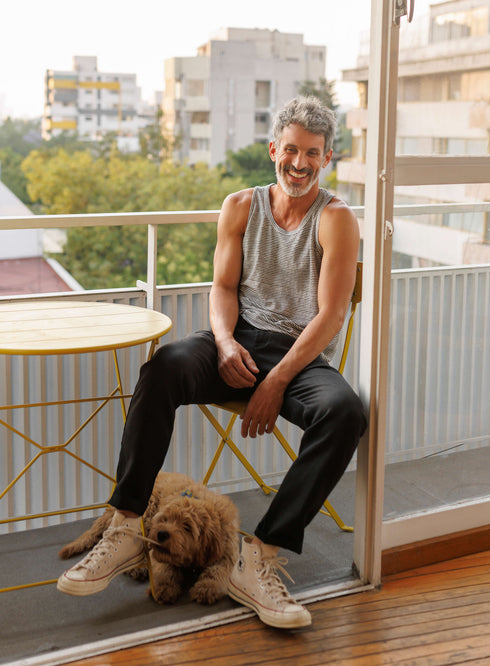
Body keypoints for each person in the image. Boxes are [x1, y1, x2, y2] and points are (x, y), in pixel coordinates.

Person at [57, 96, 367, 629]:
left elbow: (332, 315)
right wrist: (223, 342)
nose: (300, 163)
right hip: (237, 338)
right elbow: (222, 288)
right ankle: (127, 526)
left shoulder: (335, 219)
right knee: (165, 366)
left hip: (298, 354)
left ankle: (257, 557)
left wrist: (276, 381)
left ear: (327, 158)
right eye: (291, 150)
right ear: (273, 149)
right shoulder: (241, 206)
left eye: (312, 153)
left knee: (346, 413)